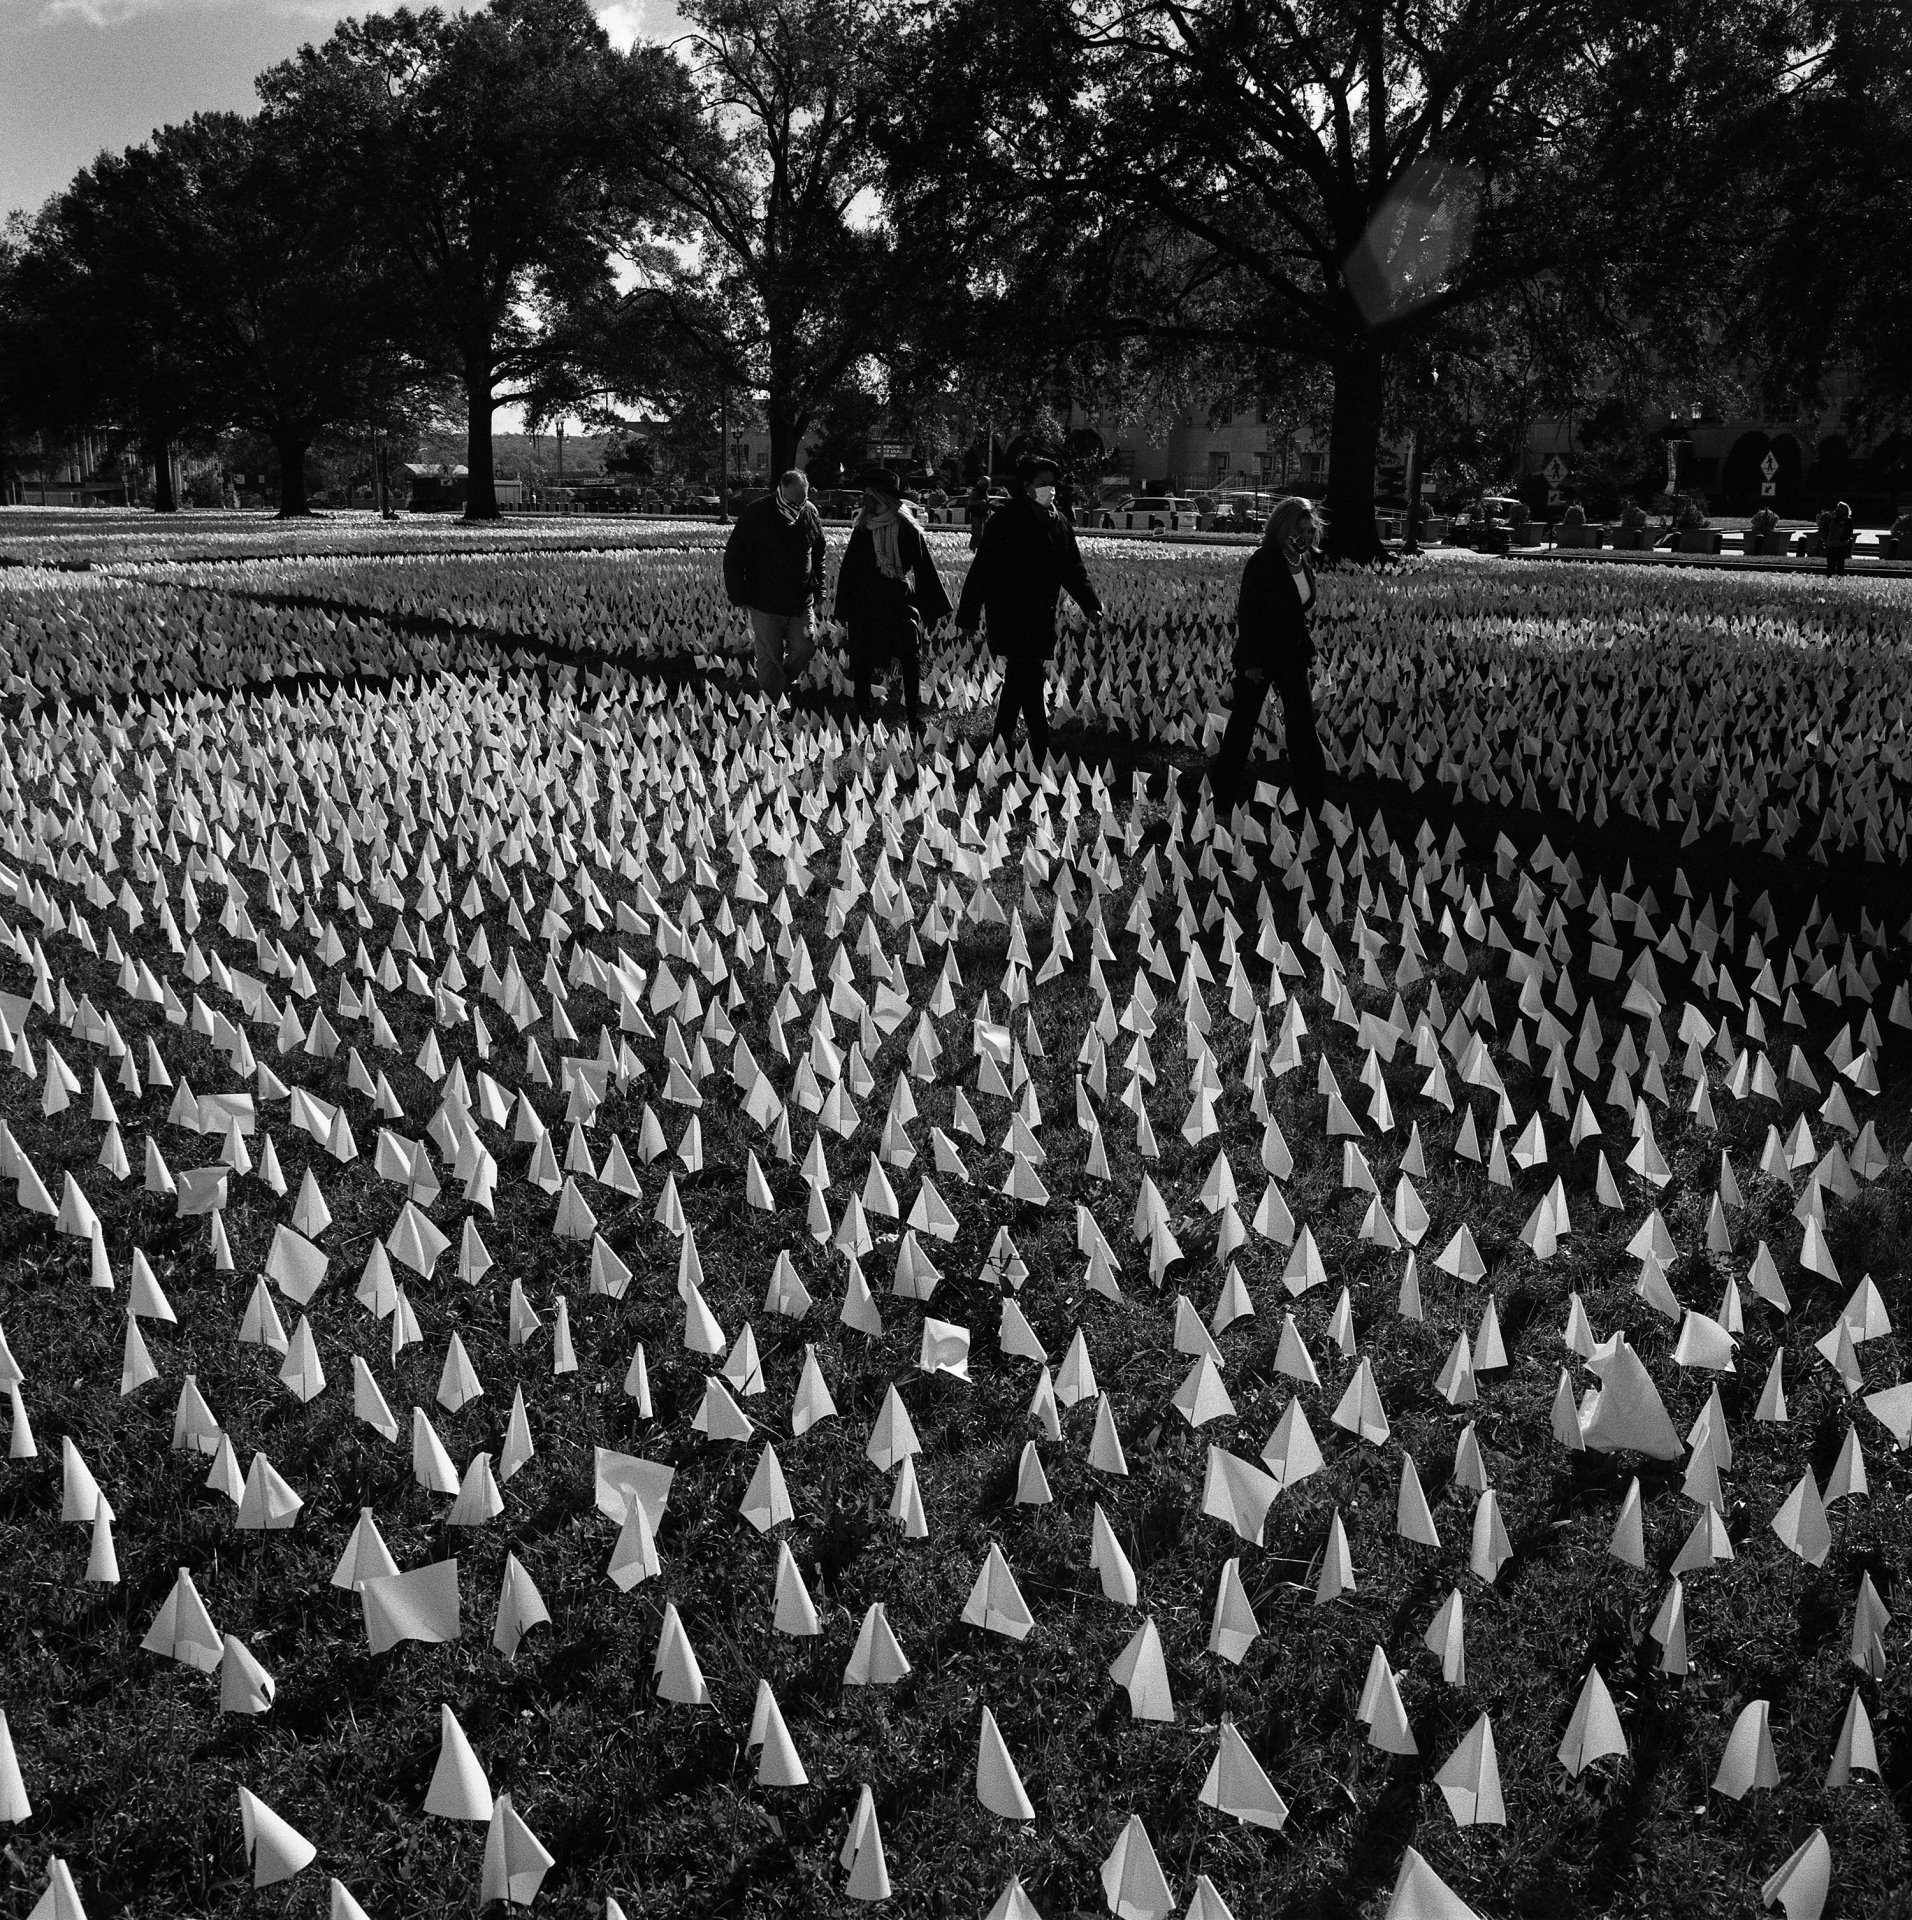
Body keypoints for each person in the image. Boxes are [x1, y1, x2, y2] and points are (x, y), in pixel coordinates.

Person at [955, 453, 1103, 765]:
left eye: (1052, 483)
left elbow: (1073, 569)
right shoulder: (1006, 520)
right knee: (1030, 676)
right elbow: (983, 569)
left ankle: (1000, 740)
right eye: (1042, 483)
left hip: (1040, 612)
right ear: (1026, 486)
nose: (1049, 488)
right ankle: (1039, 743)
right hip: (1009, 610)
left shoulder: (1059, 522)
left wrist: (1090, 604)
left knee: (1020, 678)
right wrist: (968, 614)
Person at [1208, 496, 1328, 821]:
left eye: (1308, 530)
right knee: (1242, 727)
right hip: (1259, 657)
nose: (1303, 536)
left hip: (1293, 656)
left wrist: (1307, 648)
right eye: (1297, 529)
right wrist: (1250, 662)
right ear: (1281, 527)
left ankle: (1314, 802)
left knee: (1302, 728)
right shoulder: (1263, 560)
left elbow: (1296, 612)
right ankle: (1221, 800)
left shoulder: (1300, 562)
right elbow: (1248, 613)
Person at [834, 468, 950, 735]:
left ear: (881, 497)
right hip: (865, 603)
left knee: (909, 656)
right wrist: (844, 607)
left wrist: (930, 609)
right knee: (862, 660)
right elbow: (849, 569)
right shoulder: (863, 529)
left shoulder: (908, 530)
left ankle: (913, 713)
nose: (864, 501)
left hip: (898, 600)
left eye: (868, 496)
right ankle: (863, 712)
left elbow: (924, 569)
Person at [722, 468, 825, 698]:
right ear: (781, 490)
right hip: (765, 601)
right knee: (770, 656)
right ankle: (773, 707)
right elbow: (734, 557)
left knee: (806, 647)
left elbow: (818, 551)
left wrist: (820, 586)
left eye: (803, 499)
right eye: (793, 501)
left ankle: (780, 686)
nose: (798, 506)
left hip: (801, 600)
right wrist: (739, 595)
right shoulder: (757, 513)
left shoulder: (809, 512)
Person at [1817, 498, 1855, 575]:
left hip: (1841, 545)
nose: (1836, 510)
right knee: (1830, 564)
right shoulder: (1833, 520)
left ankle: (1838, 580)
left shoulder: (1847, 520)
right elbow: (1828, 530)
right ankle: (1829, 580)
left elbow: (1848, 533)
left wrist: (1841, 540)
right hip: (1831, 544)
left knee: (1840, 564)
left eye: (1839, 508)